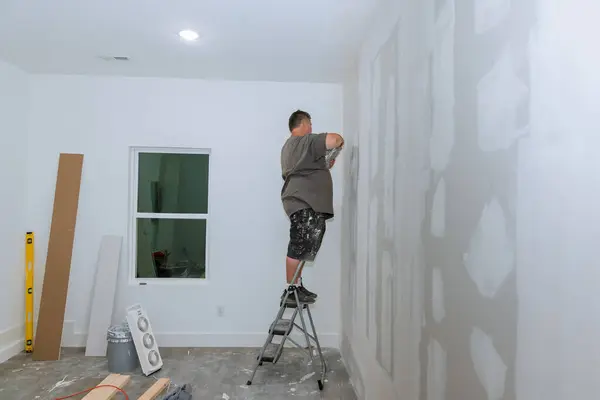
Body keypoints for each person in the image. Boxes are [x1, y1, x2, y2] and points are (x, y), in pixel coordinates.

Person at [280, 110, 344, 304]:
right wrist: (339, 142)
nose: (311, 128)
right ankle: (290, 290)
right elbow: (334, 139)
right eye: (310, 124)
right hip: (303, 202)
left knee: (307, 243)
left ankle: (296, 286)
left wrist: (324, 163)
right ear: (303, 123)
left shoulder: (290, 147)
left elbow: (307, 166)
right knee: (299, 244)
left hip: (303, 201)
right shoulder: (304, 141)